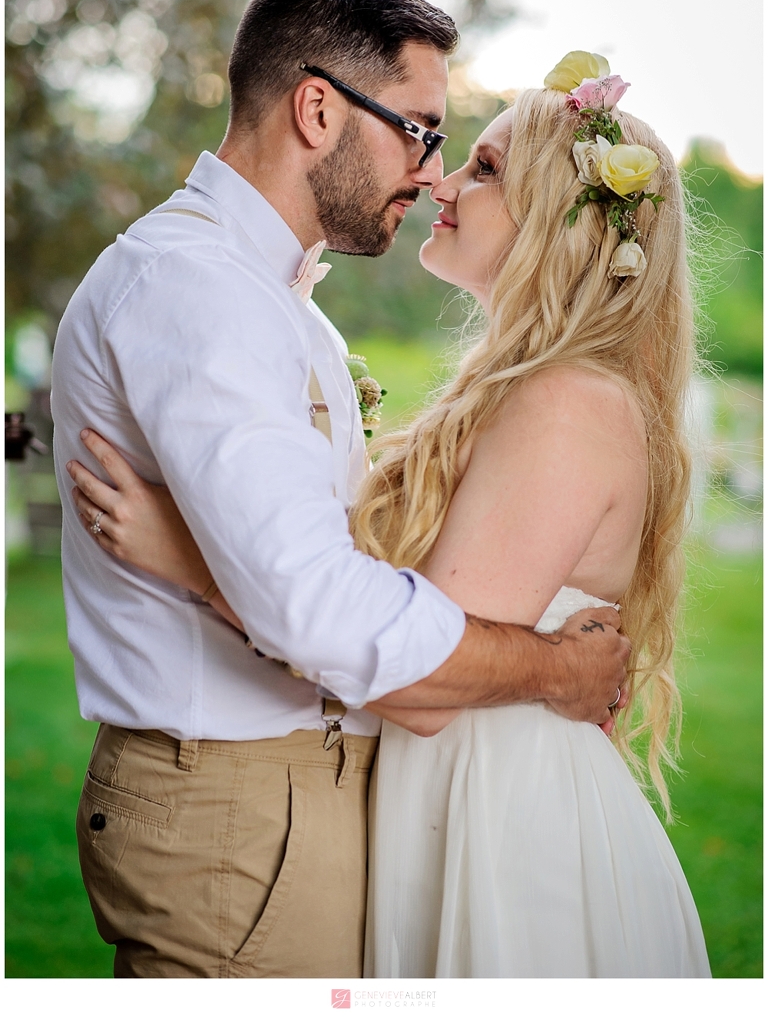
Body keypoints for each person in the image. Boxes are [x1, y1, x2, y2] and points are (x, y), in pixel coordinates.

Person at [68, 52, 710, 977]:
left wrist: (193, 560)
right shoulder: (535, 392)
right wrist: (553, 667)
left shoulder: (565, 401)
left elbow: (418, 684)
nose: (441, 179)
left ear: (562, 225)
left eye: (484, 168)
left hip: (506, 823)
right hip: (460, 797)